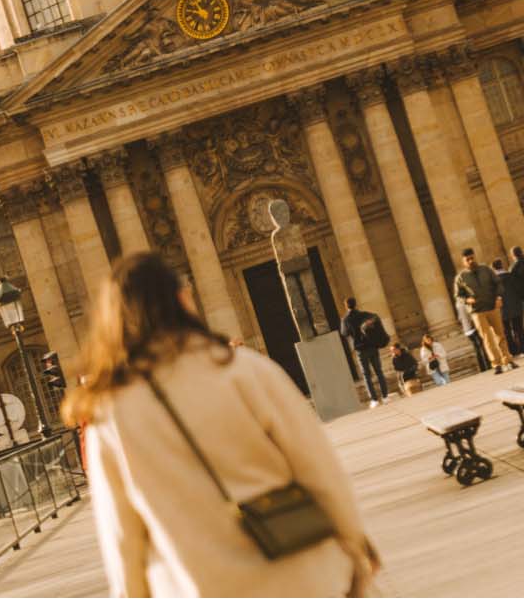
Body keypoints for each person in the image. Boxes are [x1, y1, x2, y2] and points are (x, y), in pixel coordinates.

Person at [65, 253, 379, 597]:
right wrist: (355, 546)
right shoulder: (247, 370)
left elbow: (122, 538)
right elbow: (321, 473)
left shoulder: (109, 415)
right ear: (183, 299)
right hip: (303, 576)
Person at [453, 248, 516, 375]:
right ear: (463, 261)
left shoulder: (486, 270)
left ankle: (508, 360)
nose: (471, 261)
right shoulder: (461, 277)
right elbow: (458, 295)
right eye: (468, 259)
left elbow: (498, 283)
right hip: (477, 311)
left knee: (500, 335)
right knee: (487, 338)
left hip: (492, 307)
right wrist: (467, 300)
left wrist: (498, 297)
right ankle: (496, 364)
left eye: (472, 258)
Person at [338, 296, 390, 407]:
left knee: (366, 375)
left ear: (346, 306)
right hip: (372, 346)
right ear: (355, 304)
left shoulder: (346, 320)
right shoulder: (366, 315)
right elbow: (376, 318)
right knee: (379, 372)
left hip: (360, 350)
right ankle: (385, 397)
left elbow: (344, 333)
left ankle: (374, 400)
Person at [492, 258, 524, 355]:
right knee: (519, 329)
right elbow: (519, 289)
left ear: (493, 268)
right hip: (516, 306)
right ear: (502, 265)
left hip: (502, 310)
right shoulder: (511, 276)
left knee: (507, 332)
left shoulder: (493, 282)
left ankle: (513, 351)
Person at [455, 293, 489, 372]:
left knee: (476, 348)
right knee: (482, 346)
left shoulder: (458, 304)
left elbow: (460, 318)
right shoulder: (466, 302)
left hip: (467, 330)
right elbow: (471, 314)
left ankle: (482, 367)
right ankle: (487, 364)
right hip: (473, 327)